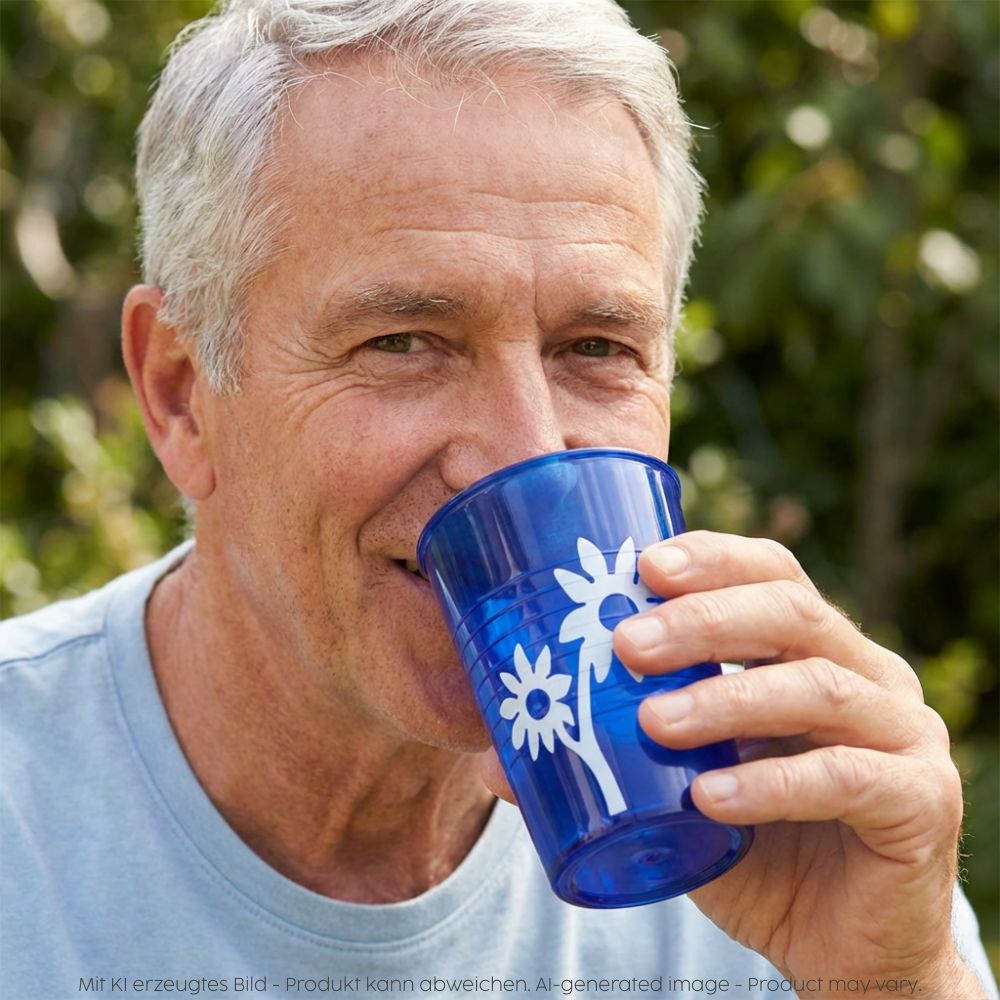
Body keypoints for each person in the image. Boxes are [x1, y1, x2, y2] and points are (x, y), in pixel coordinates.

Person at [1, 1, 996, 998]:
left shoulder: (779, 817)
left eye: (595, 349)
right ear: (180, 395)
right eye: (401, 342)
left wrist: (891, 980)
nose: (526, 455)